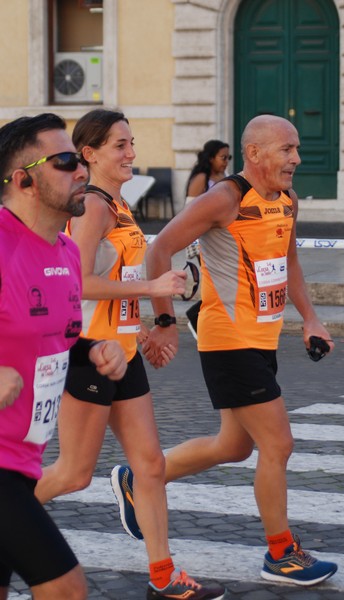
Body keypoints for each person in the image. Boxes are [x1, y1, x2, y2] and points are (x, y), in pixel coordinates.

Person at [111, 114, 338, 587]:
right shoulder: (224, 200)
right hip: (227, 339)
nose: (296, 158)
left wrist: (310, 319)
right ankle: (280, 553)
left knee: (234, 445)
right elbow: (160, 251)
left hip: (263, 339)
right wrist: (166, 320)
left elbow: (289, 261)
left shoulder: (287, 201)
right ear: (254, 153)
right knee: (278, 443)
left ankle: (140, 479)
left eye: (296, 149)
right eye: (287, 149)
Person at [34, 108, 225, 600]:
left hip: (124, 353)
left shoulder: (118, 206)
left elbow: (110, 282)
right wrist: (151, 285)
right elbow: (75, 283)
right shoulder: (93, 206)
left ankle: (163, 575)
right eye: (120, 145)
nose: (132, 153)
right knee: (74, 474)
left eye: (132, 143)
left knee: (151, 465)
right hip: (90, 355)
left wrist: (140, 323)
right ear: (89, 154)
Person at [0, 113, 127, 600]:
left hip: (23, 461)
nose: (81, 171)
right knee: (66, 588)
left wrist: (95, 350)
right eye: (66, 161)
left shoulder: (68, 254)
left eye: (80, 160)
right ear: (24, 179)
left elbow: (58, 338)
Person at [184, 140, 231, 337]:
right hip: (201, 240)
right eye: (223, 157)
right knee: (216, 283)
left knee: (225, 283)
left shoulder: (225, 177)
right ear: (211, 158)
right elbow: (189, 214)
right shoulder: (201, 179)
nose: (226, 162)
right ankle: (196, 319)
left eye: (229, 158)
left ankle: (206, 320)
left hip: (222, 240)